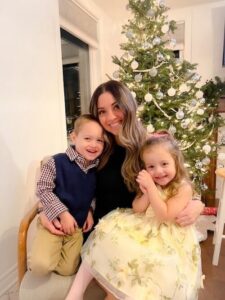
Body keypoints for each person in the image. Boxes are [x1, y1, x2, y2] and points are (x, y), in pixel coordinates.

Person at [38, 80, 204, 297]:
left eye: (117, 107)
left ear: (129, 105)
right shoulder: (95, 146)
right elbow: (62, 180)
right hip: (99, 232)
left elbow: (175, 178)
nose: (111, 117)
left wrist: (197, 203)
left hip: (139, 235)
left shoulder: (148, 147)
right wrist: (45, 210)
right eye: (102, 111)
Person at [66, 130, 203, 300]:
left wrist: (152, 189)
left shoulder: (183, 188)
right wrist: (146, 190)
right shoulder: (152, 183)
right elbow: (137, 208)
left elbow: (164, 215)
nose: (158, 171)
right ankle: (75, 294)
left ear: (176, 162)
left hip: (167, 234)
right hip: (144, 224)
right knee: (106, 232)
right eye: (151, 167)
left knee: (150, 261)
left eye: (164, 164)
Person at [30, 114, 106, 276]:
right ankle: (46, 251)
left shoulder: (97, 169)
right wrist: (62, 213)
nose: (94, 145)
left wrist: (90, 210)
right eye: (87, 138)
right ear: (74, 137)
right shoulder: (55, 161)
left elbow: (92, 194)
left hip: (76, 229)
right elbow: (43, 189)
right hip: (54, 223)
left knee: (68, 270)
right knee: (40, 267)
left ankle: (55, 254)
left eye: (99, 140)